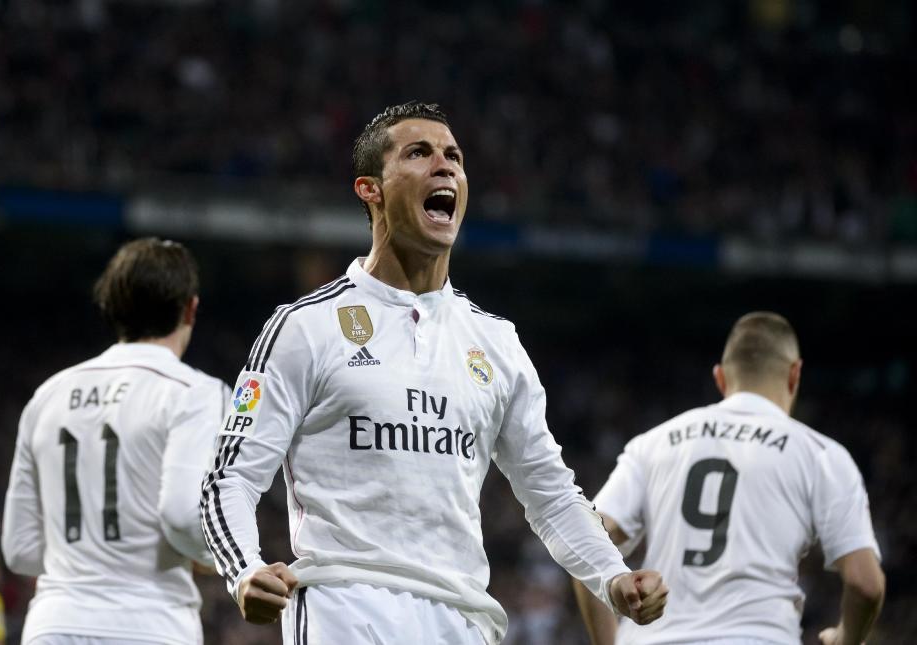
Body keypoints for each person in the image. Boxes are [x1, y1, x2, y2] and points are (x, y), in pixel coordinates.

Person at [200, 101, 668, 645]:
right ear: (369, 189)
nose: (444, 167)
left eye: (454, 157)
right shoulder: (306, 326)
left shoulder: (496, 343)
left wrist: (613, 576)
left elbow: (551, 493)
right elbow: (229, 477)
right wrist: (244, 570)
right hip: (345, 608)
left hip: (463, 618)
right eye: (419, 153)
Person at [574, 312, 885, 645]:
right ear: (794, 375)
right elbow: (866, 584)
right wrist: (846, 637)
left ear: (720, 378)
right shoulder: (821, 455)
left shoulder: (653, 443)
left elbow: (588, 543)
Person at [1, 238, 229, 645]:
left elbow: (19, 548)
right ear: (190, 308)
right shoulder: (194, 392)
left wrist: (84, 559)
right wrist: (222, 558)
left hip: (54, 624)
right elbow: (181, 516)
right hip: (148, 624)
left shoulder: (48, 395)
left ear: (111, 308)